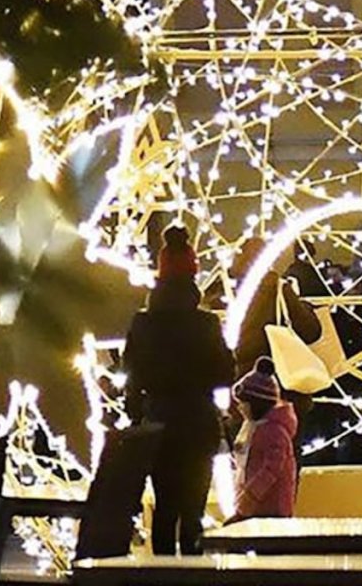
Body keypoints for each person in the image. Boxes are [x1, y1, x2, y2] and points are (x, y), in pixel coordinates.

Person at [122, 236, 236, 555]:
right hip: (198, 423)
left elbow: (131, 376)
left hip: (158, 422)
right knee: (192, 512)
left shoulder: (142, 324)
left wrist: (137, 413)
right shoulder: (207, 324)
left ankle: (161, 570)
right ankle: (192, 567)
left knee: (165, 507)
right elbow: (225, 374)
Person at [232, 359, 299, 521]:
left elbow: (271, 469)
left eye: (244, 404)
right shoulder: (252, 427)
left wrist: (250, 497)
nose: (240, 408)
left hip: (271, 506)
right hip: (254, 505)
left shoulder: (274, 431)